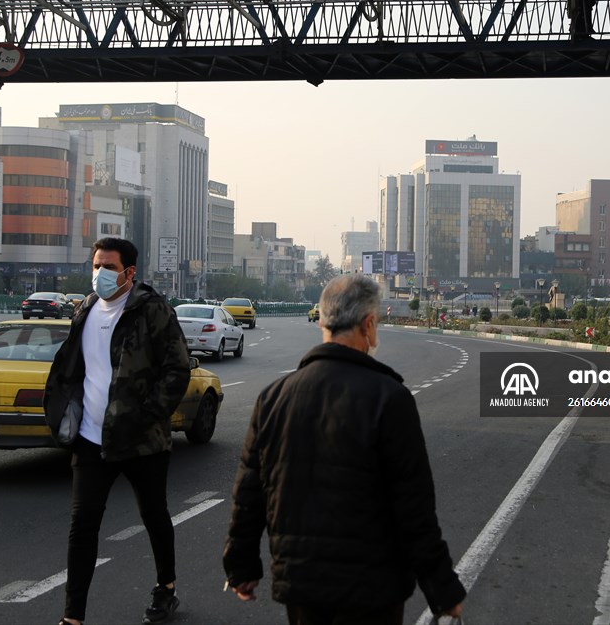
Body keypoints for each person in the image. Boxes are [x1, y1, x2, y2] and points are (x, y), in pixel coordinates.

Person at [223, 274, 466, 625]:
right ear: (368, 325)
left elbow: (249, 493)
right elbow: (414, 510)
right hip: (373, 590)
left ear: (322, 321)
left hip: (301, 584)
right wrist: (442, 590)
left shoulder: (274, 397)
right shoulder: (389, 398)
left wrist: (241, 566)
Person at [45, 237, 191, 625]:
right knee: (82, 527)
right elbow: (74, 367)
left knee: (154, 515)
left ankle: (167, 588)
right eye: (96, 265)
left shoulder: (152, 310)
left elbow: (178, 369)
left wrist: (147, 416)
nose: (99, 274)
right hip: (92, 439)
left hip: (142, 440)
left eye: (108, 267)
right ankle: (72, 616)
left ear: (129, 272)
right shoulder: (86, 308)